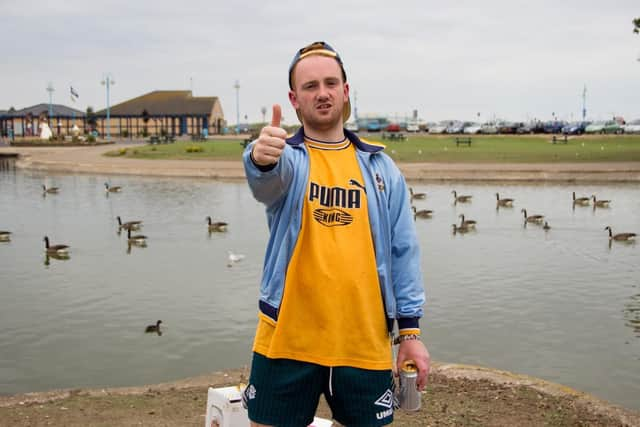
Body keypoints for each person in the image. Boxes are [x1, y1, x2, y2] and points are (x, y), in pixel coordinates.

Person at [242, 41, 429, 426]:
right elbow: (265, 182)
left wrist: (409, 331)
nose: (322, 93)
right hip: (287, 343)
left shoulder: (381, 168)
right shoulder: (288, 160)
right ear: (294, 99)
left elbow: (403, 251)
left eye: (331, 83)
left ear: (346, 91)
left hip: (363, 343)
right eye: (310, 86)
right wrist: (259, 158)